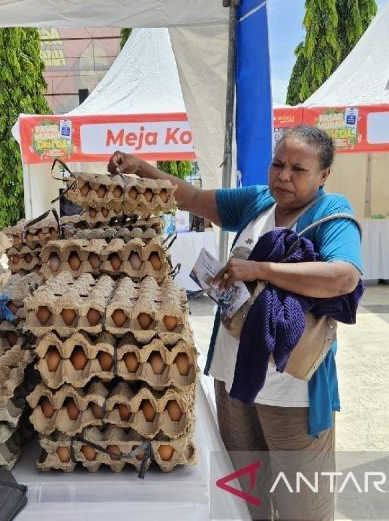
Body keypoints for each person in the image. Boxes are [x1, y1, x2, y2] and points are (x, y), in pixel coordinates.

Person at [108, 125, 362, 520]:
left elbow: (345, 276)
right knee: (246, 496)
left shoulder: (331, 213)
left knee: (302, 505)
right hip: (234, 383)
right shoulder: (257, 202)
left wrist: (259, 269)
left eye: (298, 169)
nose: (282, 176)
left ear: (323, 175)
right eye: (278, 164)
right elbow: (190, 197)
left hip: (291, 393)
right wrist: (141, 168)